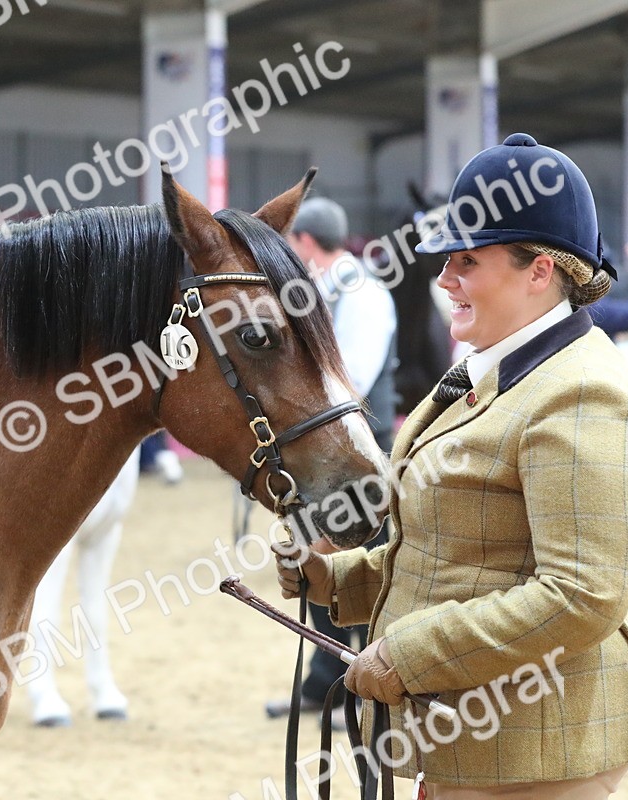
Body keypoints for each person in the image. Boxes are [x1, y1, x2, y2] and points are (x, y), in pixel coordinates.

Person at [275, 133, 628, 799]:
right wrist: (332, 578)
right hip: (482, 731)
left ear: (541, 270)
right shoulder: (486, 372)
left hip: (542, 743)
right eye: (446, 259)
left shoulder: (583, 397)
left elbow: (581, 595)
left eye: (468, 261)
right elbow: (455, 555)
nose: (444, 279)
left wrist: (412, 654)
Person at [263, 196, 398, 727]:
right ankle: (325, 681)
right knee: (317, 567)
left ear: (304, 243)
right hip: (319, 454)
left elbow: (354, 382)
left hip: (356, 454)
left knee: (354, 563)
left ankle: (359, 688)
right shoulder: (320, 292)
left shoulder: (362, 293)